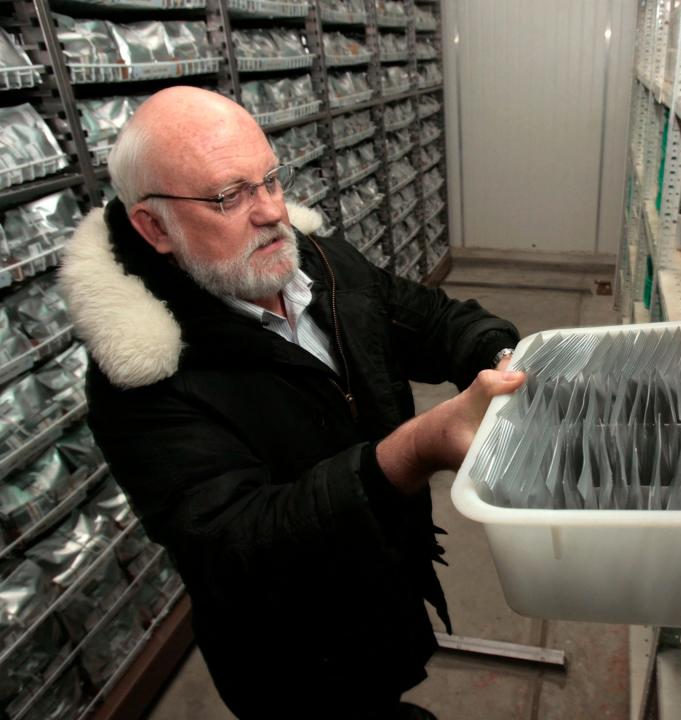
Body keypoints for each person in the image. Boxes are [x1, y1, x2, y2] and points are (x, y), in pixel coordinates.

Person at [60, 86, 524, 719]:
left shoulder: (322, 265)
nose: (271, 211)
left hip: (379, 581)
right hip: (290, 657)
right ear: (153, 226)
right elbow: (238, 541)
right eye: (230, 196)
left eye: (271, 180)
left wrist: (502, 359)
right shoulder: (141, 377)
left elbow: (432, 320)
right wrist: (412, 451)